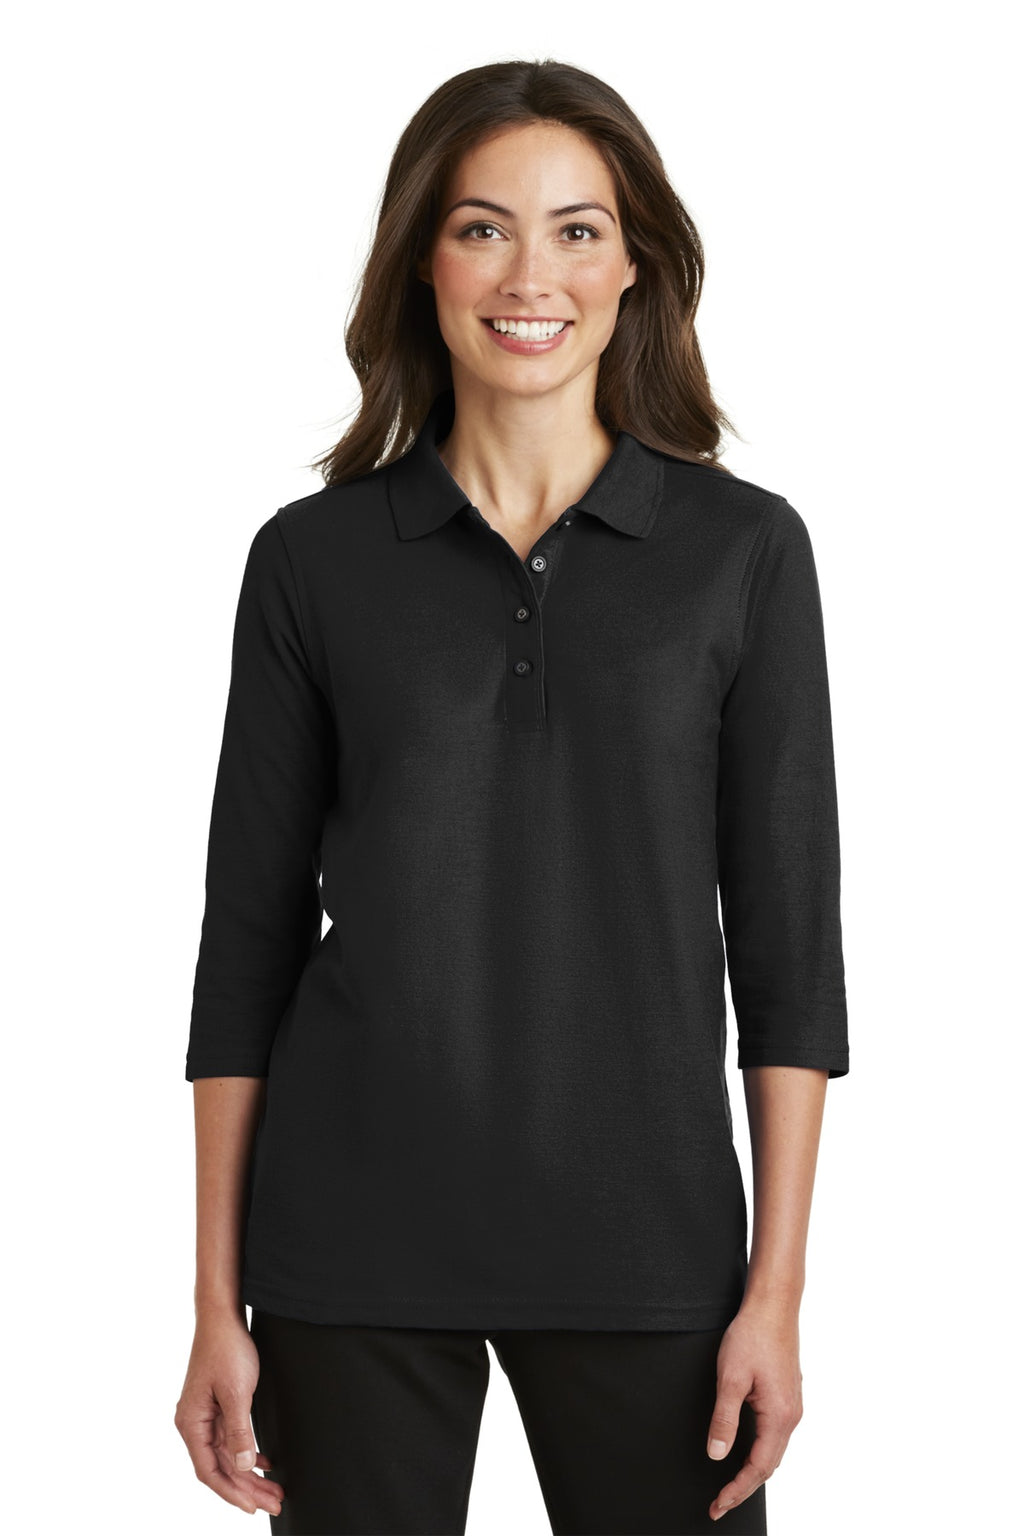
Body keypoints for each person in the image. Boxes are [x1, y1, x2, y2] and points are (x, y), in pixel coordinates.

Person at [174, 58, 849, 1536]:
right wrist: (216, 1302)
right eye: (482, 228)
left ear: (634, 266)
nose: (530, 276)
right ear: (422, 260)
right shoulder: (312, 561)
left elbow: (791, 957)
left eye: (577, 231)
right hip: (349, 1244)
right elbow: (245, 951)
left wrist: (777, 1295)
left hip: (650, 1243)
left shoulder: (742, 553)